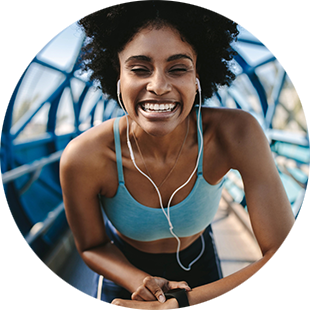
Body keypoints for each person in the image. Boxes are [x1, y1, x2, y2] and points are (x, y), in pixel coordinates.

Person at [60, 0, 303, 309]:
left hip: (201, 268)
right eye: (139, 69)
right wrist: (139, 281)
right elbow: (92, 246)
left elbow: (287, 262)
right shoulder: (84, 157)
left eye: (178, 68)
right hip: (126, 279)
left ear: (198, 74)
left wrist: (176, 306)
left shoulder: (236, 133)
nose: (159, 86)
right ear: (117, 75)